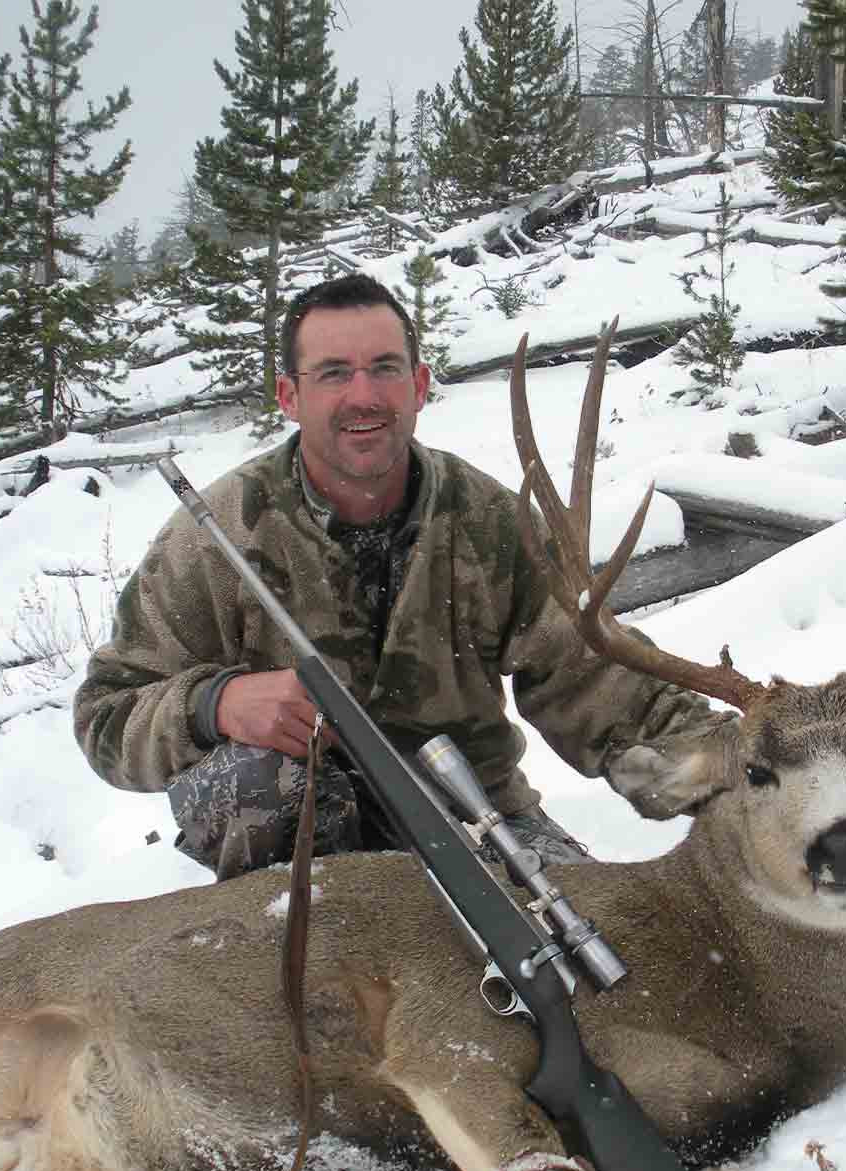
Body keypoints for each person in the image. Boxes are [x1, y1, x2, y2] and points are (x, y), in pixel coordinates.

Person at [74, 273, 725, 880]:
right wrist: (211, 706)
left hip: (477, 817)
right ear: (289, 397)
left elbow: (600, 684)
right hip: (303, 849)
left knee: (602, 968)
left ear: (418, 385)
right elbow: (106, 718)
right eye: (333, 374)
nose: (363, 396)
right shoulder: (215, 537)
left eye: (384, 369)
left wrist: (740, 761)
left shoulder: (494, 522)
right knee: (250, 783)